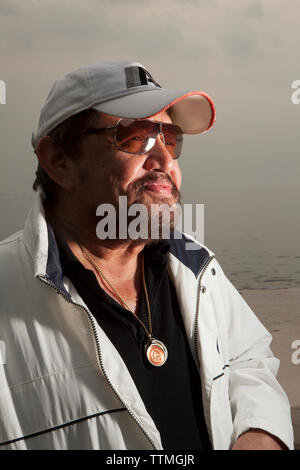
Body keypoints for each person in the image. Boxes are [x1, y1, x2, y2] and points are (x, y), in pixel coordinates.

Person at [0, 60, 294, 450]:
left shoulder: (193, 260)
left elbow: (248, 357)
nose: (165, 163)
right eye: (136, 137)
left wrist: (260, 433)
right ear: (58, 161)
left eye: (170, 140)